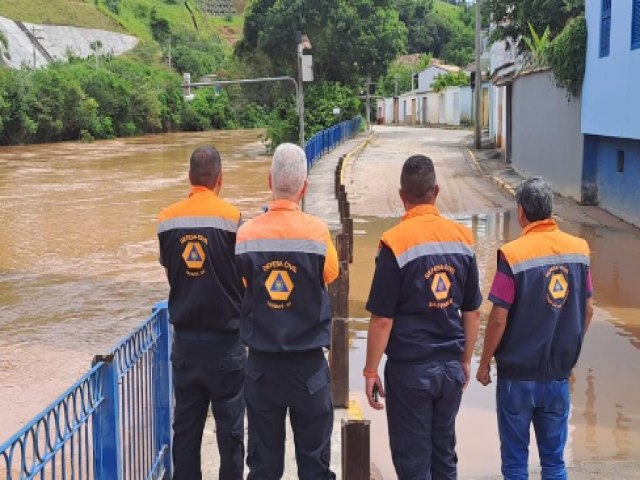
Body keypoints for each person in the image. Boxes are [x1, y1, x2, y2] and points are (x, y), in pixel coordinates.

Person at [363, 155, 482, 479]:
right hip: (449, 370)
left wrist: (371, 369)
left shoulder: (394, 244)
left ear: (402, 196)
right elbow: (471, 312)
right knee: (444, 455)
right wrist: (466, 360)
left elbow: (383, 319)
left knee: (413, 461)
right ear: (437, 191)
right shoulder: (463, 240)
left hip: (410, 372)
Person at [476, 177, 593, 479]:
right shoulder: (580, 250)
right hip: (557, 376)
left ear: (522, 212)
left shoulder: (512, 255)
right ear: (551, 210)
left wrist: (485, 361)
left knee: (516, 463)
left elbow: (499, 318)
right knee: (554, 463)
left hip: (517, 378)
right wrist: (570, 347)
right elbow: (588, 309)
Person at [235, 143, 339, 480]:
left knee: (264, 467)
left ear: (269, 180)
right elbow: (331, 275)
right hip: (308, 367)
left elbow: (244, 281)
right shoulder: (318, 234)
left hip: (262, 368)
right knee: (314, 466)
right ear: (304, 187)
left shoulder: (246, 235)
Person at [157, 146, 245, 480]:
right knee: (231, 433)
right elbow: (242, 275)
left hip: (186, 346)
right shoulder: (234, 219)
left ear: (190, 177)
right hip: (227, 345)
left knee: (186, 433)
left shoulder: (167, 220)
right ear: (220, 179)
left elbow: (171, 266)